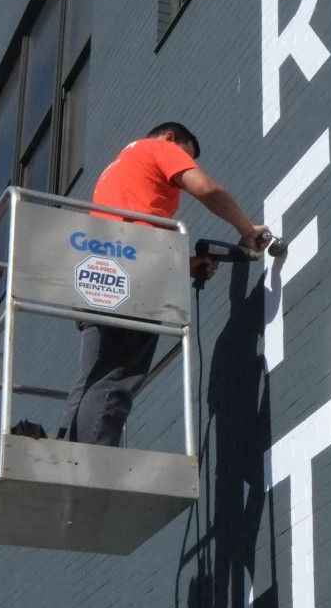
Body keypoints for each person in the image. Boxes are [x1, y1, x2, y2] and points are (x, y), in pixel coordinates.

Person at [55, 121, 268, 446]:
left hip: (95, 275)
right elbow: (206, 189)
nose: (186, 165)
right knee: (117, 376)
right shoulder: (158, 148)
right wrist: (246, 229)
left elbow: (126, 236)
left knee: (92, 377)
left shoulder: (115, 171)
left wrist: (186, 266)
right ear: (170, 138)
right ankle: (88, 465)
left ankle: (63, 454)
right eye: (187, 155)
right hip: (132, 281)